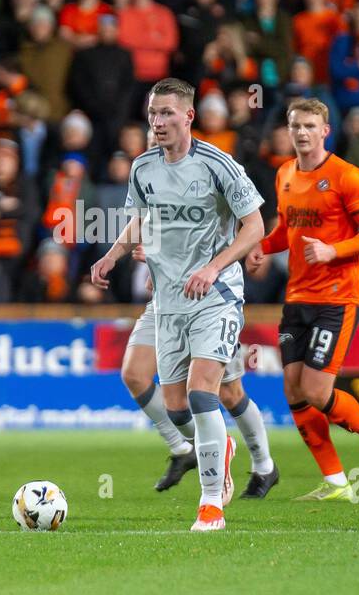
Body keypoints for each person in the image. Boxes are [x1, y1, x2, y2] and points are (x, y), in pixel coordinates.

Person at [90, 77, 265, 531]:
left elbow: (254, 227)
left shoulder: (218, 165)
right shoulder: (143, 168)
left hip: (217, 294)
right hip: (167, 300)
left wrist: (214, 267)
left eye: (167, 113)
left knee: (203, 390)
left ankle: (211, 504)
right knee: (175, 407)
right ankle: (219, 447)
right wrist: (111, 255)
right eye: (153, 114)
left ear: (189, 116)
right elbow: (142, 220)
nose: (158, 122)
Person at [246, 98, 359, 501]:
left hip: (337, 297)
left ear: (324, 131)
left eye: (309, 126)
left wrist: (335, 251)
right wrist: (262, 246)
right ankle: (336, 483)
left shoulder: (347, 176)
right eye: (295, 125)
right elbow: (288, 229)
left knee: (316, 390)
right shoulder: (284, 174)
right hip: (297, 297)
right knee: (294, 392)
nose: (301, 133)